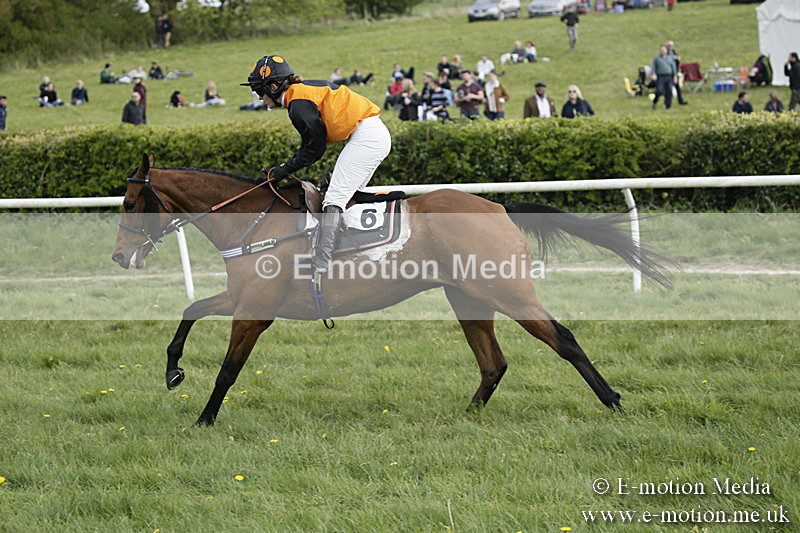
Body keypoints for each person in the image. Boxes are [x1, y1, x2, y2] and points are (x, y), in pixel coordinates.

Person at [241, 54, 391, 276]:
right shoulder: (300, 92)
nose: (260, 98)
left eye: (260, 91)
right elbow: (313, 146)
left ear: (273, 87)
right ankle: (352, 250)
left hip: (368, 136)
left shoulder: (297, 103)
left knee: (334, 198)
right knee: (344, 195)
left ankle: (322, 261)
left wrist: (284, 169)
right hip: (369, 134)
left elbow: (314, 149)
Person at [651, 45, 676, 110]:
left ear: (666, 51)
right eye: (661, 50)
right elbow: (653, 67)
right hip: (660, 77)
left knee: (669, 91)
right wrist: (654, 74)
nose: (662, 51)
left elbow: (673, 67)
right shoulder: (656, 59)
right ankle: (654, 102)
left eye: (664, 50)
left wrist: (675, 76)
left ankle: (668, 105)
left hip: (669, 76)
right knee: (659, 90)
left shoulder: (669, 58)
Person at [665, 40, 688, 105]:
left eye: (671, 46)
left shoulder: (673, 52)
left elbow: (677, 61)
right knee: (667, 88)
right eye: (669, 46)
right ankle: (667, 102)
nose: (670, 47)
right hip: (667, 73)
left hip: (674, 72)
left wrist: (678, 59)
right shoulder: (664, 52)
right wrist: (672, 59)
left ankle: (680, 101)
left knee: (677, 87)